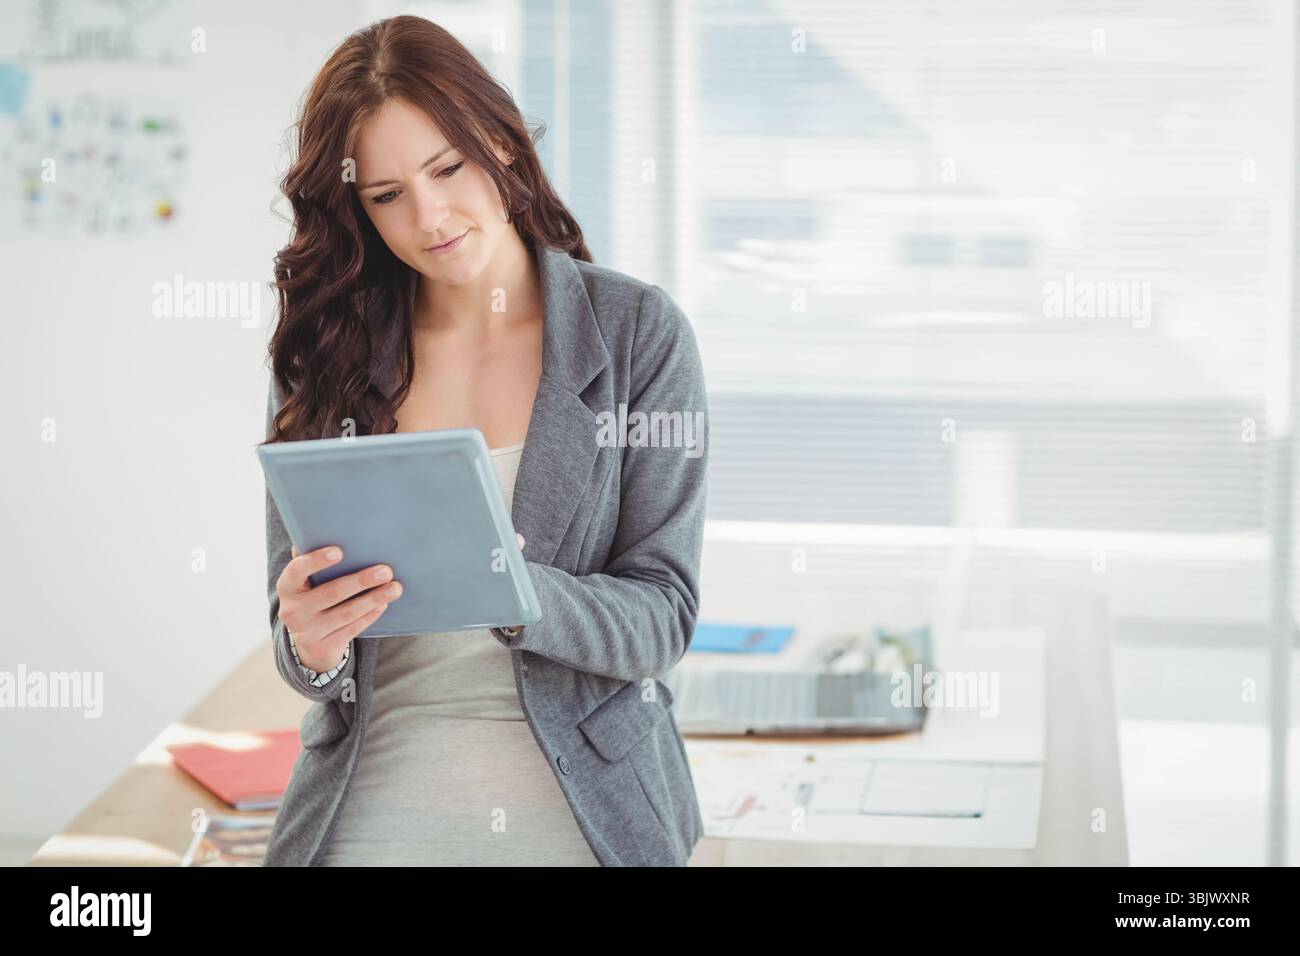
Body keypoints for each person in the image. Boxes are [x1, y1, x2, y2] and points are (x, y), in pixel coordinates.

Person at [258, 14, 709, 866]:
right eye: (386, 196)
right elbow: (298, 649)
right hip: (369, 818)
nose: (429, 217)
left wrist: (514, 589)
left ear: (500, 142)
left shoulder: (635, 335)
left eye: (446, 168)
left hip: (583, 823)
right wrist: (311, 645)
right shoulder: (326, 355)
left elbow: (661, 618)